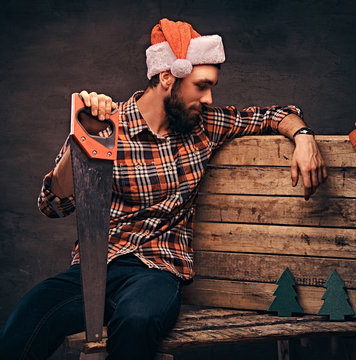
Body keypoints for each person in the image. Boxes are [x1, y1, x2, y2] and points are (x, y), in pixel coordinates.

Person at [0, 18, 327, 360]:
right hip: (95, 270)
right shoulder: (110, 124)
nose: (209, 97)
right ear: (168, 76)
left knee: (138, 320)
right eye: (201, 86)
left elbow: (277, 114)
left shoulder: (205, 125)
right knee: (28, 318)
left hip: (157, 272)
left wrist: (304, 138)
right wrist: (83, 139)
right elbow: (52, 204)